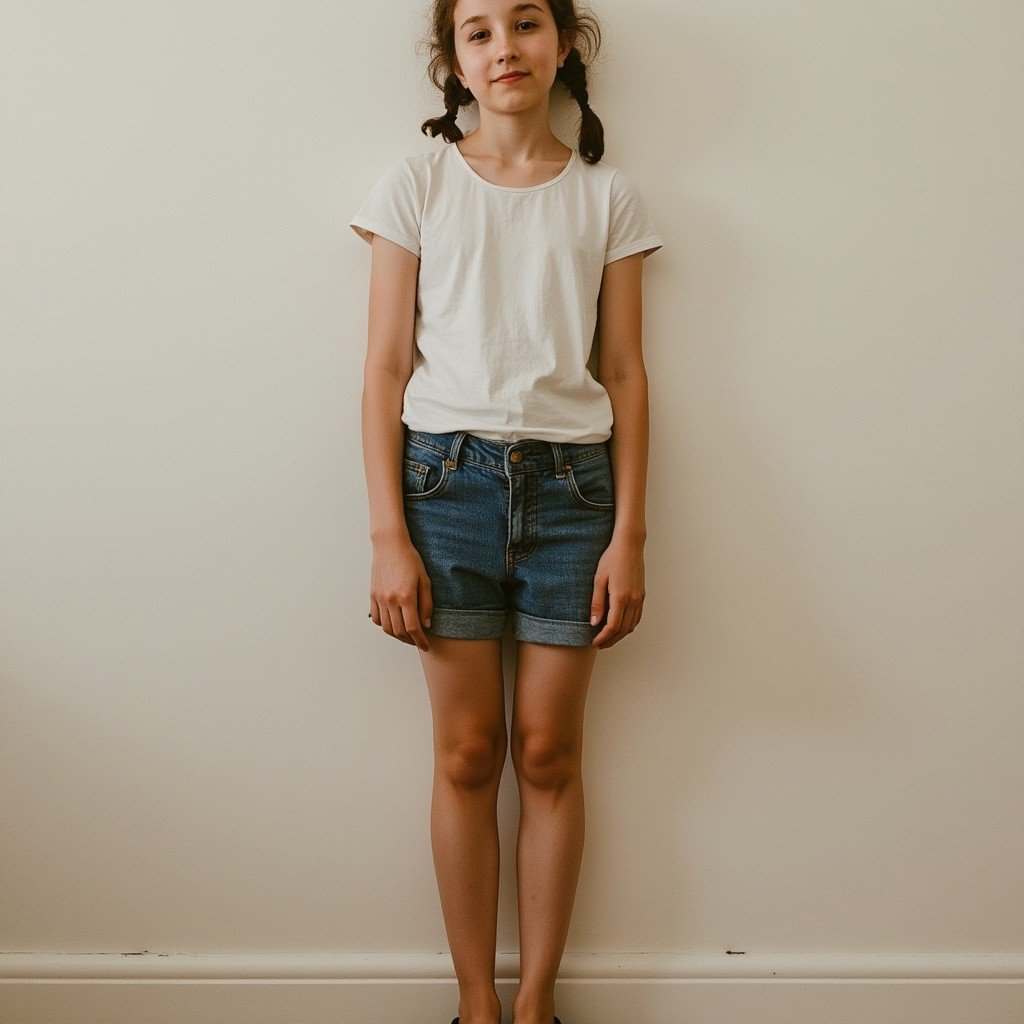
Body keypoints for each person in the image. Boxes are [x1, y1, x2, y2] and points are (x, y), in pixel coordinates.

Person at [349, 2, 662, 1022]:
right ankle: (475, 1002)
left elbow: (623, 371)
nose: (503, 48)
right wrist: (388, 535)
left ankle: (537, 1002)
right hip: (444, 488)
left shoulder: (606, 198)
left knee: (548, 753)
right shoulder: (419, 181)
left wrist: (629, 534)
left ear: (563, 43)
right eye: (476, 31)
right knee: (467, 753)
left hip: (575, 495)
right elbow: (384, 368)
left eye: (524, 23)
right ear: (453, 61)